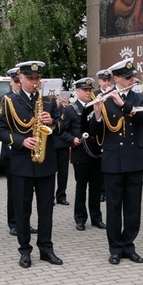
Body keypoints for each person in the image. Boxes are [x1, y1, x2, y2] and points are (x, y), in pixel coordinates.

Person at [0, 60, 64, 269]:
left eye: (37, 78)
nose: (35, 82)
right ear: (20, 78)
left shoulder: (49, 101)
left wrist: (52, 122)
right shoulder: (8, 101)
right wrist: (21, 140)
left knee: (46, 209)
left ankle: (46, 248)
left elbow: (62, 127)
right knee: (22, 210)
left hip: (46, 162)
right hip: (22, 162)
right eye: (30, 78)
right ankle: (24, 250)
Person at [89, 58, 143, 265]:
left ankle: (128, 245)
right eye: (127, 77)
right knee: (114, 207)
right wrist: (96, 114)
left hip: (134, 158)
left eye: (132, 76)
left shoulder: (139, 98)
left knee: (133, 207)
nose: (131, 79)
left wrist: (123, 104)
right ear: (116, 78)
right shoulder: (102, 99)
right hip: (113, 159)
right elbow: (95, 134)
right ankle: (115, 248)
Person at [64, 77, 105, 231]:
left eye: (90, 90)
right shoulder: (70, 109)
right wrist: (71, 140)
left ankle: (96, 218)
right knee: (81, 187)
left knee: (96, 187)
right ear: (78, 91)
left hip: (95, 153)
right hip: (80, 154)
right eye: (85, 90)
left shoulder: (96, 106)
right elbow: (62, 131)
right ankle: (80, 218)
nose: (88, 93)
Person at [95, 69, 113, 203]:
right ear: (99, 81)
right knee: (100, 166)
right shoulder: (95, 95)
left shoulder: (113, 94)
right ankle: (101, 191)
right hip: (99, 135)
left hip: (110, 133)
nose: (106, 83)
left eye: (108, 80)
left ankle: (107, 191)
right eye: (104, 80)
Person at [52, 95, 73, 206]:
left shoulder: (66, 109)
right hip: (52, 145)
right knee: (51, 172)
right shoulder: (50, 109)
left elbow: (66, 126)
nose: (58, 101)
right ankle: (50, 197)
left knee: (63, 172)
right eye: (55, 99)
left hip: (63, 144)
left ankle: (61, 196)